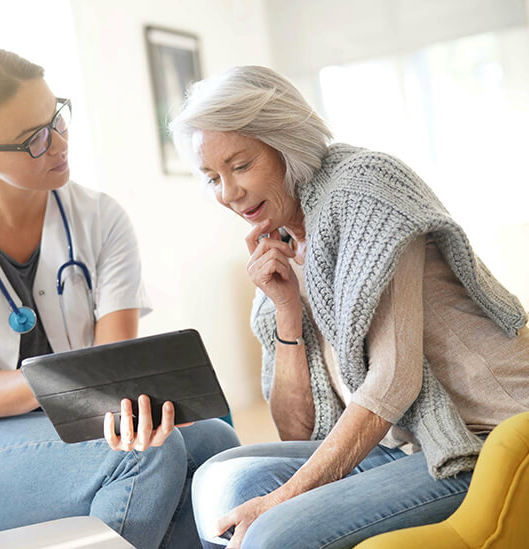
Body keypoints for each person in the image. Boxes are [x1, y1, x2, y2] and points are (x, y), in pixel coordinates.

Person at [169, 65, 529, 548]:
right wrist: (287, 309)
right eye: (212, 177)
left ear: (286, 143)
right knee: (220, 479)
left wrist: (285, 498)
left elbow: (394, 380)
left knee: (274, 532)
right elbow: (297, 428)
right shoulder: (278, 238)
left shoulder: (363, 188)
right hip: (405, 446)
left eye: (240, 165)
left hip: (484, 439)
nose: (229, 194)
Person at [0, 48, 239, 549]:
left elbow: (115, 369)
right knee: (145, 457)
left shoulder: (102, 218)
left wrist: (115, 394)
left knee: (216, 443)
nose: (57, 143)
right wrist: (77, 384)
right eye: (33, 138)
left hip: (74, 422)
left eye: (56, 116)